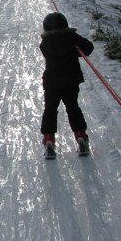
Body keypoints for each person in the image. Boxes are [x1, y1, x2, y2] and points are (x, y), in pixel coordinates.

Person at [39, 11, 94, 158]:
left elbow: (55, 51)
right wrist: (75, 46)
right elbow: (88, 48)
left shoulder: (44, 43)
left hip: (51, 82)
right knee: (72, 107)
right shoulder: (71, 38)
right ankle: (81, 137)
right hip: (70, 80)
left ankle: (49, 140)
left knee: (50, 109)